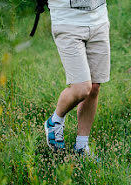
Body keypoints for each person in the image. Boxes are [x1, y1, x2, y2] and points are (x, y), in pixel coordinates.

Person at [44, 0, 110, 155]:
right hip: (67, 20)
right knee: (81, 88)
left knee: (94, 87)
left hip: (99, 18)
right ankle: (55, 121)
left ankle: (81, 146)